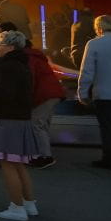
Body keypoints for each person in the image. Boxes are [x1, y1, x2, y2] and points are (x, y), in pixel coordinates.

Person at [0, 31, 40, 221]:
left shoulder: (7, 67)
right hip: (22, 118)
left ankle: (16, 206)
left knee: (7, 164)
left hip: (8, 119)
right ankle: (28, 202)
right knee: (19, 164)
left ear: (9, 46)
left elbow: (4, 95)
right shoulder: (23, 66)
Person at [77, 15, 111, 171]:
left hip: (104, 95)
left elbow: (87, 71)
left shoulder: (94, 44)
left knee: (107, 128)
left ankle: (109, 159)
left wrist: (82, 93)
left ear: (99, 27)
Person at [26, 40, 65, 169]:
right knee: (43, 124)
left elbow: (30, 79)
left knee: (36, 123)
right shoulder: (37, 57)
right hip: (53, 93)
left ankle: (45, 156)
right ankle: (43, 153)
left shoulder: (28, 58)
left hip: (45, 95)